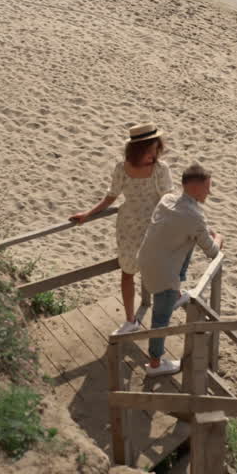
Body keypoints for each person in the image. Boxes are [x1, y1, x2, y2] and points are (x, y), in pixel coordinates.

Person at [71, 123, 172, 335]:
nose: (158, 148)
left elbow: (167, 201)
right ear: (143, 147)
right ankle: (130, 320)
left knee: (158, 274)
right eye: (154, 144)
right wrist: (88, 214)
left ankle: (161, 320)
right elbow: (111, 196)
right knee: (127, 273)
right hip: (128, 227)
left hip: (153, 228)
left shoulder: (160, 170)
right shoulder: (122, 168)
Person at [137, 163, 224, 376]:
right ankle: (155, 364)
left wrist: (204, 229)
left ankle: (175, 293)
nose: (209, 192)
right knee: (161, 320)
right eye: (207, 187)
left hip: (145, 262)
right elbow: (212, 251)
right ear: (195, 188)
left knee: (187, 240)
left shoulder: (167, 200)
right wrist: (220, 237)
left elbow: (190, 226)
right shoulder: (194, 216)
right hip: (163, 276)